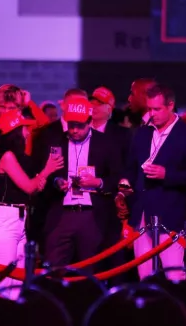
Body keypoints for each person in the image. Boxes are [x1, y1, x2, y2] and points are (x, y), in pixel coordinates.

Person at [120, 84, 186, 280]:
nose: (152, 114)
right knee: (144, 275)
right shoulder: (142, 134)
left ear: (170, 105)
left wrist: (167, 175)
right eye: (150, 109)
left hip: (170, 215)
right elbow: (131, 168)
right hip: (142, 215)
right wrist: (125, 182)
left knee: (174, 274)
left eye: (157, 109)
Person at [0, 110, 62, 298]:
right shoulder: (7, 155)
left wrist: (39, 180)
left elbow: (30, 188)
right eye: (25, 128)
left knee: (17, 286)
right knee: (5, 285)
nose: (28, 132)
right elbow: (29, 187)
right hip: (2, 223)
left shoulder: (11, 155)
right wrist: (47, 170)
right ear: (16, 131)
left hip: (17, 221)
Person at [41, 97, 124, 269]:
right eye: (71, 125)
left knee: (91, 269)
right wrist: (56, 181)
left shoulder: (106, 143)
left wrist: (98, 182)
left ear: (89, 122)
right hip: (62, 213)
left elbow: (118, 177)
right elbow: (45, 173)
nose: (74, 130)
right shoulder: (55, 141)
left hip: (92, 214)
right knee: (54, 267)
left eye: (79, 126)